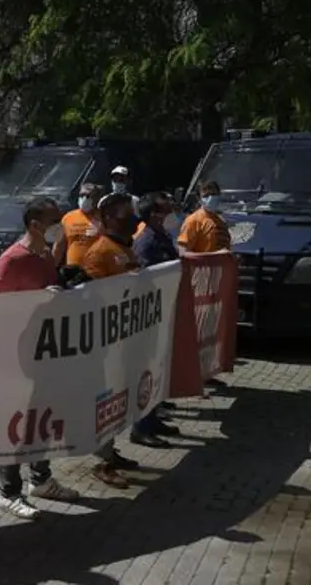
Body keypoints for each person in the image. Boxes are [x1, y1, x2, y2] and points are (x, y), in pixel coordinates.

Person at [0, 197, 81, 519]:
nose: (60, 225)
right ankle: (8, 492)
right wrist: (37, 299)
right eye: (54, 220)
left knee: (43, 418)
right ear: (34, 225)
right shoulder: (11, 259)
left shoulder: (46, 255)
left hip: (45, 351)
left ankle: (40, 480)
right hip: (17, 354)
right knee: (16, 424)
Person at [80, 192, 143, 487]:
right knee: (104, 401)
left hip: (124, 339)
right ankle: (102, 461)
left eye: (130, 211)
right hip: (105, 342)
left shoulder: (126, 248)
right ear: (107, 218)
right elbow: (92, 297)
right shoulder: (99, 252)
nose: (131, 218)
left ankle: (110, 451)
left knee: (119, 399)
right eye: (123, 213)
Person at [130, 192, 182, 448]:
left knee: (159, 368)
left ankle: (153, 418)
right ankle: (141, 427)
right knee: (146, 371)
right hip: (150, 317)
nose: (171, 214)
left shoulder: (162, 236)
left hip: (164, 312)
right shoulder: (146, 242)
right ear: (153, 215)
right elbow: (142, 280)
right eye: (166, 210)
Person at [56, 183, 103, 269]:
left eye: (88, 196)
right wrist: (53, 267)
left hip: (95, 270)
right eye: (81, 195)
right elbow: (59, 246)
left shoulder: (104, 218)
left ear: (97, 198)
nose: (84, 199)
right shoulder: (68, 218)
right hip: (72, 270)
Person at [178, 180, 231, 254]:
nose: (211, 198)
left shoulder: (222, 222)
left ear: (219, 196)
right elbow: (183, 252)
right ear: (199, 199)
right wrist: (208, 257)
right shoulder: (193, 221)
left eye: (213, 194)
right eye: (206, 196)